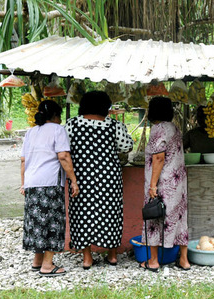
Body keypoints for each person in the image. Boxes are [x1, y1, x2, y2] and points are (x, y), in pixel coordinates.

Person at [65, 91, 133, 270]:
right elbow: (127, 146)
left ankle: (87, 258)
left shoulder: (72, 124)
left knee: (82, 214)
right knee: (110, 213)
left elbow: (63, 148)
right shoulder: (114, 125)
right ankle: (111, 255)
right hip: (108, 177)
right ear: (105, 106)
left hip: (81, 177)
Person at [20, 100, 79, 277]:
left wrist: (23, 182)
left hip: (32, 182)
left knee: (37, 223)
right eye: (59, 115)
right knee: (52, 222)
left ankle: (37, 261)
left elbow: (23, 160)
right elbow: (63, 156)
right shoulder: (57, 130)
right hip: (49, 182)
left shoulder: (30, 132)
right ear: (55, 115)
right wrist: (74, 180)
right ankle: (47, 265)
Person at [140, 96, 190, 272]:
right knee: (179, 217)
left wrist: (153, 185)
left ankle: (153, 261)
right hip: (178, 183)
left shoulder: (158, 129)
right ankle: (184, 260)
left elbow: (159, 157)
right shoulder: (174, 128)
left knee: (155, 216)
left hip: (163, 183)